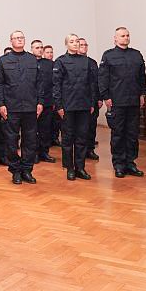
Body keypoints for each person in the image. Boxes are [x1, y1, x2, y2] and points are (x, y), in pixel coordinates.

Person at [0, 30, 44, 185]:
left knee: (30, 141)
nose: (19, 40)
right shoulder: (3, 61)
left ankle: (27, 170)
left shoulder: (32, 59)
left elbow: (40, 83)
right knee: (11, 141)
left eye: (21, 38)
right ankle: (15, 170)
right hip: (11, 107)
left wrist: (40, 102)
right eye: (16, 38)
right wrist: (1, 104)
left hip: (30, 107)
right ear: (11, 41)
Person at [99, 27, 146, 178]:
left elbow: (141, 77)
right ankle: (119, 164)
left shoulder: (136, 55)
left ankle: (131, 163)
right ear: (115, 38)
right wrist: (106, 97)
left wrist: (142, 94)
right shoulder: (108, 55)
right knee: (118, 133)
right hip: (117, 101)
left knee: (132, 134)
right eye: (122, 36)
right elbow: (103, 78)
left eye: (127, 35)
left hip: (133, 100)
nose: (125, 38)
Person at [53, 34, 97, 181]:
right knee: (67, 139)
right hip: (67, 106)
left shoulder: (86, 62)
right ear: (66, 44)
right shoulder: (61, 61)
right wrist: (59, 105)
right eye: (72, 41)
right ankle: (69, 168)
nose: (75, 44)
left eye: (77, 41)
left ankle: (80, 167)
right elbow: (56, 86)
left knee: (82, 138)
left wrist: (91, 103)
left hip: (84, 105)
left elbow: (91, 84)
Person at [31, 40, 56, 163]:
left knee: (45, 129)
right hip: (32, 103)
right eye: (37, 47)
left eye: (41, 47)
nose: (39, 49)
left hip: (47, 101)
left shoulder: (50, 64)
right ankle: (34, 153)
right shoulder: (28, 62)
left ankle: (44, 152)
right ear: (32, 49)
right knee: (32, 130)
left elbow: (54, 83)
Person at [78, 38, 102, 160]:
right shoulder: (74, 62)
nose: (83, 46)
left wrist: (99, 98)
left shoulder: (92, 62)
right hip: (79, 100)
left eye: (85, 44)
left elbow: (97, 81)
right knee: (80, 129)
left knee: (92, 126)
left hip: (93, 99)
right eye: (81, 44)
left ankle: (90, 149)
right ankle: (80, 152)